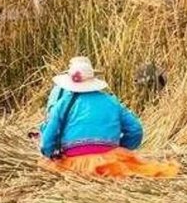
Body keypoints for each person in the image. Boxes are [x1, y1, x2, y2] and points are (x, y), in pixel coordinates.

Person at [37, 57, 178, 179]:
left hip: (74, 164)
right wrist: (120, 150)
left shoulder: (63, 103)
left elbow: (47, 140)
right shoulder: (112, 101)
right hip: (110, 163)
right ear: (93, 80)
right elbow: (136, 130)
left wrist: (50, 154)